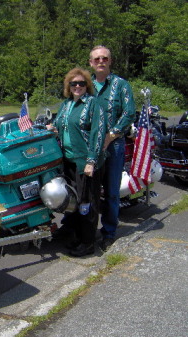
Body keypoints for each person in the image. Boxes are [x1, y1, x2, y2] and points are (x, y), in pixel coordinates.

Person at [51, 67, 107, 257]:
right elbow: (58, 125)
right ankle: (77, 238)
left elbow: (98, 134)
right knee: (73, 202)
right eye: (73, 83)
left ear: (87, 85)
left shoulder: (93, 104)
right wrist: (52, 127)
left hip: (86, 163)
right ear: (68, 86)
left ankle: (88, 243)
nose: (77, 86)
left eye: (81, 83)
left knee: (87, 203)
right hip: (68, 161)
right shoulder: (66, 105)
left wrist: (91, 160)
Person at [89, 46, 136, 251]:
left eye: (104, 58)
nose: (101, 61)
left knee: (111, 192)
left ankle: (109, 232)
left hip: (113, 146)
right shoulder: (85, 84)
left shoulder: (121, 85)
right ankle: (85, 232)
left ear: (110, 61)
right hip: (89, 148)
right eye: (97, 58)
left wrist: (111, 135)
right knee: (86, 191)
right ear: (91, 62)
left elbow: (129, 113)